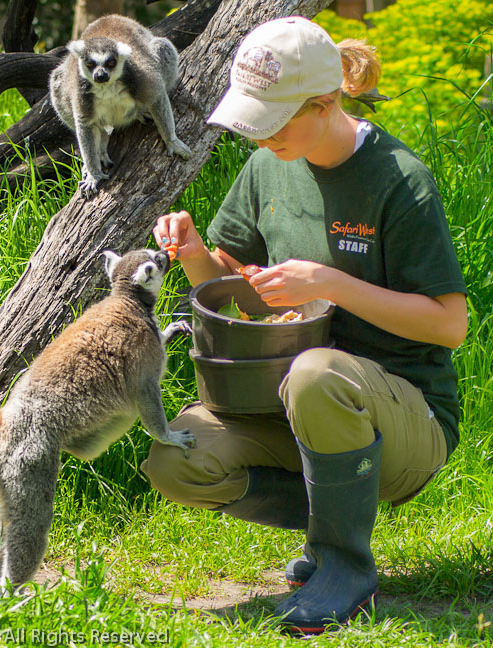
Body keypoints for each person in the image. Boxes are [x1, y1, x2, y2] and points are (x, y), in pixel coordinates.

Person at [142, 16, 468, 634]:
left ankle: (343, 562)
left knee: (315, 374)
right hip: (293, 398)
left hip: (406, 415)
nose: (261, 139)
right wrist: (190, 255)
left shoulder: (400, 181)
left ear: (325, 103)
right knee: (176, 458)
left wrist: (331, 284)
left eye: (274, 121)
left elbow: (451, 326)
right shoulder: (270, 166)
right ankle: (332, 518)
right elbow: (246, 292)